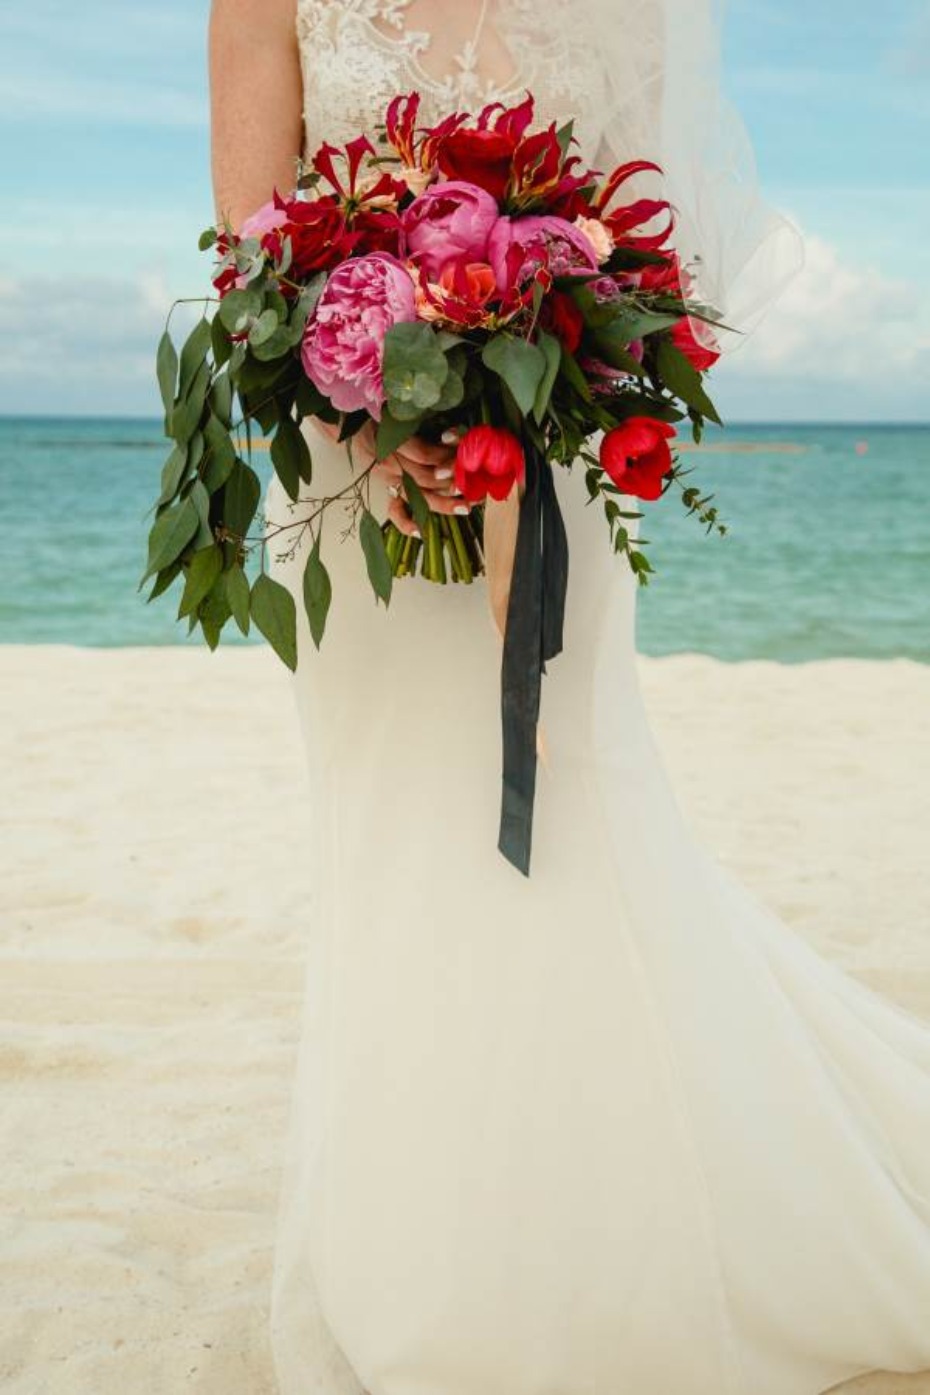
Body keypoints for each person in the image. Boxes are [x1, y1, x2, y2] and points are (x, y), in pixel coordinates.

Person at [209, 3, 930, 1393]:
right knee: (396, 833)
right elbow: (252, 241)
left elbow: (640, 253)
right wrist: (376, 408)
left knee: (572, 815)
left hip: (546, 466)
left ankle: (586, 1253)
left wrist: (539, 381)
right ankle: (417, 1247)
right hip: (349, 478)